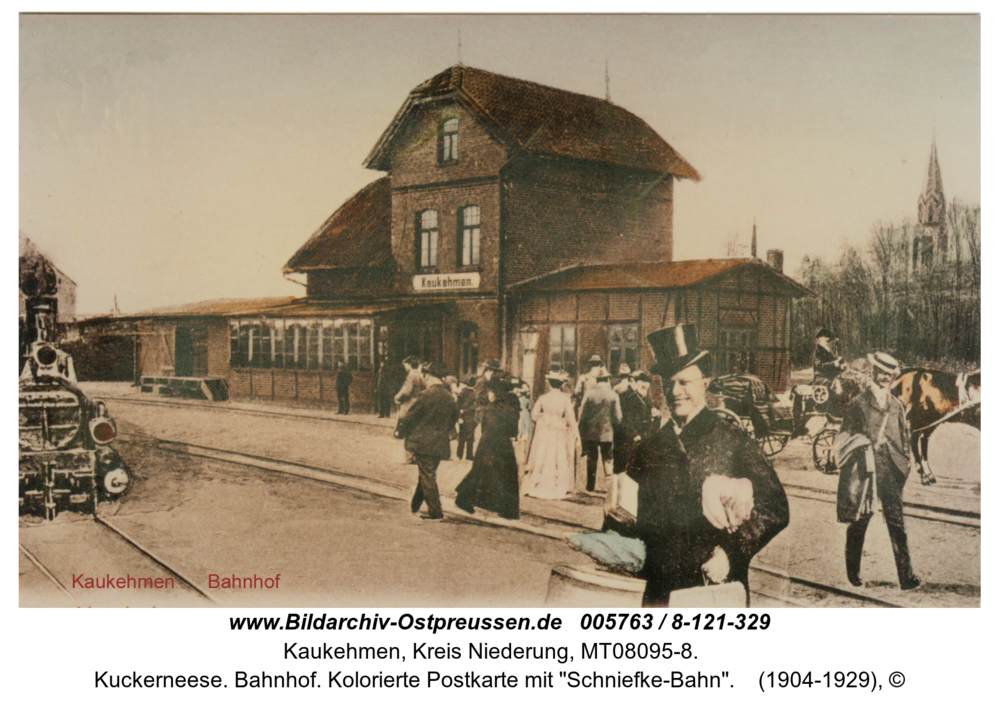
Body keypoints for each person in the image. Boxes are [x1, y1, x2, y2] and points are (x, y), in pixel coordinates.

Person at [627, 323, 789, 607]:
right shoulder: (648, 449)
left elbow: (775, 508)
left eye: (684, 382)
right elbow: (631, 519)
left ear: (705, 382)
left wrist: (731, 553)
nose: (675, 391)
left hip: (715, 588)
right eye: (669, 383)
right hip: (660, 591)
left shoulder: (733, 440)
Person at [839, 352, 919, 590]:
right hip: (867, 470)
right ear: (873, 372)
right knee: (860, 521)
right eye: (882, 372)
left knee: (897, 523)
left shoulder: (897, 404)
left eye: (890, 374)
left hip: (891, 469)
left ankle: (907, 577)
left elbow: (903, 437)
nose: (885, 377)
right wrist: (861, 449)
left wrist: (904, 463)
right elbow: (845, 436)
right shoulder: (858, 403)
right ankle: (853, 573)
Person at [394, 361, 458, 521]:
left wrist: (399, 431)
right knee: (427, 473)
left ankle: (435, 512)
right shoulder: (449, 397)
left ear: (426, 376)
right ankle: (415, 505)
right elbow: (454, 418)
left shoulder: (425, 395)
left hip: (423, 444)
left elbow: (411, 416)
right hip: (440, 444)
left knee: (427, 475)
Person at [455, 374, 521, 520]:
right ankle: (507, 510)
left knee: (480, 471)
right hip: (504, 445)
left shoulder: (493, 409)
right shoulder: (511, 407)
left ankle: (464, 498)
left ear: (495, 392)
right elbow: (513, 431)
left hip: (489, 443)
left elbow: (488, 427)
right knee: (506, 476)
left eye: (490, 392)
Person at [523, 371, 579, 500]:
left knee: (542, 454)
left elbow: (534, 415)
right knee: (558, 456)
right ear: (561, 385)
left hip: (545, 430)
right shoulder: (565, 399)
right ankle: (558, 486)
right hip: (559, 430)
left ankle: (538, 483)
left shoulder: (543, 398)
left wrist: (544, 419)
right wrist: (573, 431)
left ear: (549, 384)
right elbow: (571, 418)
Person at [792, 328, 847, 437]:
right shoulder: (819, 350)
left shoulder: (827, 350)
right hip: (820, 378)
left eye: (827, 338)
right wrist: (834, 364)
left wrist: (841, 367)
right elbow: (819, 366)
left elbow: (831, 368)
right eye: (823, 337)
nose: (826, 339)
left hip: (828, 378)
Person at [577, 367, 622, 495]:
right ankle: (608, 487)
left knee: (592, 458)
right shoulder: (613, 394)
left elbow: (583, 414)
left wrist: (582, 430)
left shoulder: (589, 393)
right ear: (607, 379)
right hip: (607, 432)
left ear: (597, 379)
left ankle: (590, 486)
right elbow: (618, 417)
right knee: (607, 458)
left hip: (591, 432)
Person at [455, 377, 477, 460]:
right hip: (471, 418)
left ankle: (459, 454)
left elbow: (457, 405)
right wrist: (465, 411)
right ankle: (469, 455)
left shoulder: (462, 393)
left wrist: (459, 416)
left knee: (461, 437)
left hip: (462, 418)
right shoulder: (474, 394)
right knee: (470, 438)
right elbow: (474, 407)